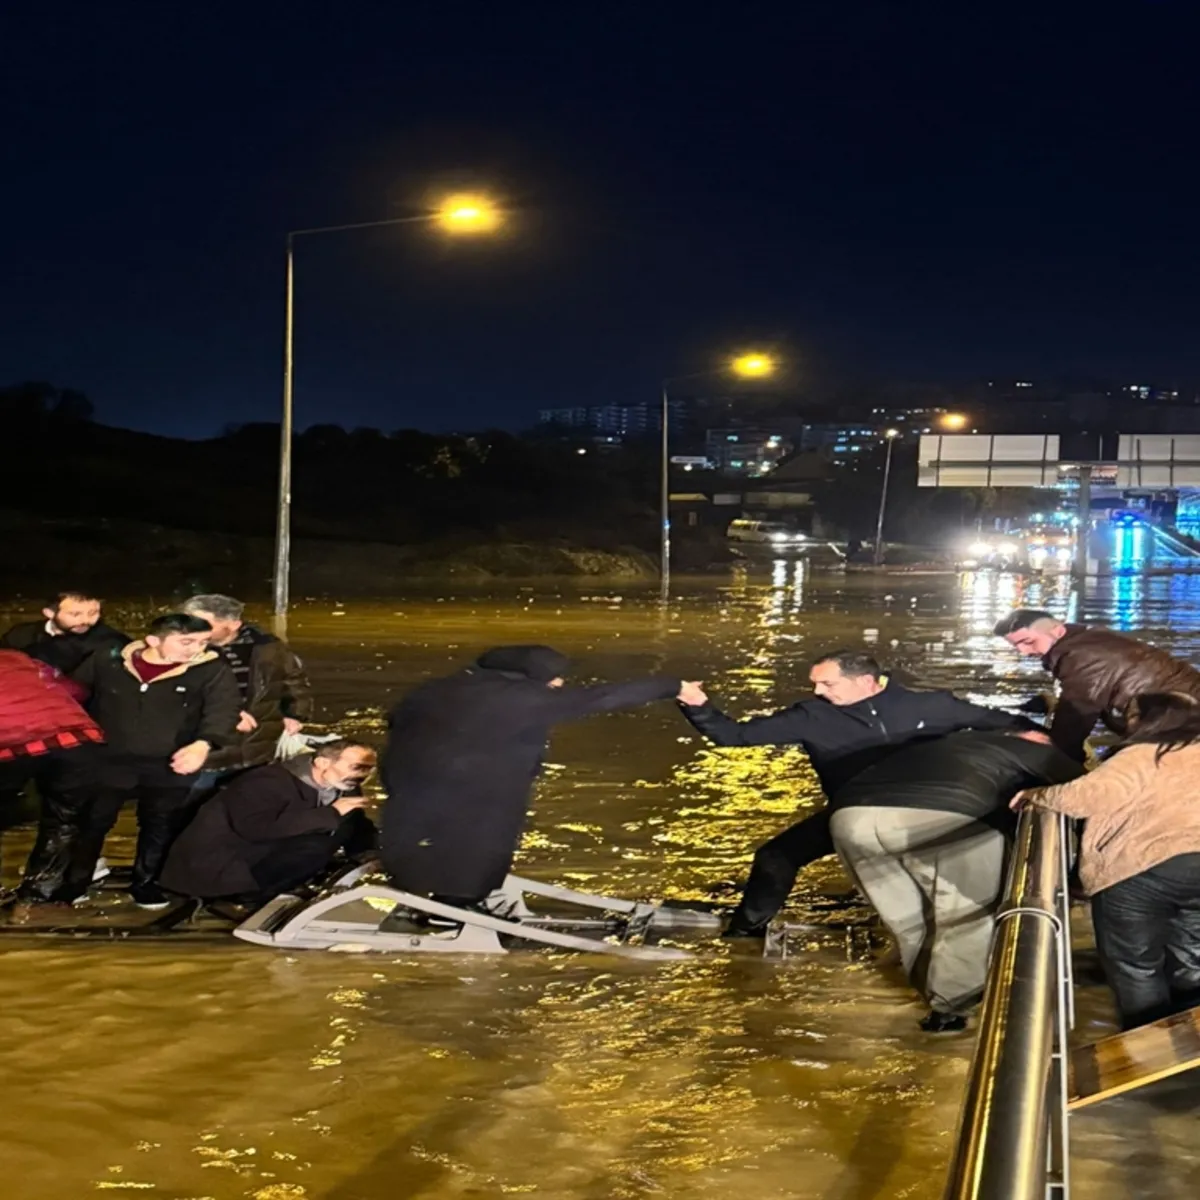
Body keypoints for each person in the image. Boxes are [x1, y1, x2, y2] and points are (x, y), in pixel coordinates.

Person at [678, 649, 1037, 936]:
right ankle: (745, 931)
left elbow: (1002, 723)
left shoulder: (931, 707)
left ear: (866, 682)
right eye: (815, 684)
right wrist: (697, 704)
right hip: (855, 812)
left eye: (828, 684)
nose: (818, 692)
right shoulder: (811, 716)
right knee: (775, 857)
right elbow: (734, 736)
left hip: (928, 810)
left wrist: (1032, 737)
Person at [381, 645, 682, 906]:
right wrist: (673, 686)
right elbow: (601, 698)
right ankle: (455, 908)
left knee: (423, 848)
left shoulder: (435, 688)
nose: (560, 682)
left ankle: (421, 893)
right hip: (477, 793)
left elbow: (395, 721)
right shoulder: (522, 699)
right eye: (554, 676)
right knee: (477, 855)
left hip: (409, 786)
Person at [831, 729, 1081, 1031]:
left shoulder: (946, 744)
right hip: (944, 818)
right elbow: (1089, 788)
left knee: (908, 918)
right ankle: (951, 1012)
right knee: (965, 916)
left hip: (849, 818)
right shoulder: (1030, 748)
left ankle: (926, 996)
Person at [1015, 691, 1200, 1031]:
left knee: (1136, 966)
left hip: (1138, 873)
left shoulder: (1143, 755)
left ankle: (1150, 1048)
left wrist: (1036, 795)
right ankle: (1189, 1051)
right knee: (1192, 960)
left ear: (1149, 720)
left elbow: (1086, 797)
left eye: (1130, 714)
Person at [62, 613, 242, 908]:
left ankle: (146, 883)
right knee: (92, 821)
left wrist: (203, 744)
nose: (195, 649)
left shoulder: (212, 670)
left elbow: (223, 709)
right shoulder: (107, 661)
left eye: (202, 642)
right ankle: (75, 881)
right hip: (108, 759)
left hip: (171, 761)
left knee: (159, 823)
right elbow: (72, 695)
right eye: (186, 642)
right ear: (153, 641)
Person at [160, 739, 377, 904]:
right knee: (315, 846)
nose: (361, 777)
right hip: (217, 866)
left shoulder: (342, 784)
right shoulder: (266, 781)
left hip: (258, 855)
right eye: (356, 768)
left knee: (344, 826)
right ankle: (253, 896)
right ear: (322, 763)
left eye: (367, 770)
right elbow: (255, 829)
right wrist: (330, 814)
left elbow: (354, 822)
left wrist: (372, 854)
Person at [994, 608, 1200, 760]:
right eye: (1016, 646)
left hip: (1182, 722)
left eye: (1028, 642)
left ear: (1057, 631)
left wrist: (1054, 761)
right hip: (1179, 716)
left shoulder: (1081, 656)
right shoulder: (1088, 639)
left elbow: (1077, 714)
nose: (1023, 652)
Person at [0, 650, 108, 904]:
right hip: (78, 741)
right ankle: (38, 893)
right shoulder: (22, 658)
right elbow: (75, 691)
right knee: (63, 820)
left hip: (11, 746)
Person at [180, 594, 313, 792]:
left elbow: (293, 679)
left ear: (233, 624)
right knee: (189, 805)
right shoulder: (178, 649)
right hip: (203, 751)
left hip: (256, 749)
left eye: (204, 623)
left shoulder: (268, 646)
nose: (192, 628)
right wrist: (230, 715)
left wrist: (294, 715)